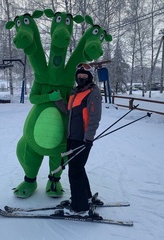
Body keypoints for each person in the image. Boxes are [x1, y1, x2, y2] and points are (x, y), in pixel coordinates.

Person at [60, 63, 103, 218]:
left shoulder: (93, 93)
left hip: (83, 138)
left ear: (90, 77)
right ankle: (85, 197)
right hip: (72, 136)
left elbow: (95, 117)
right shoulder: (75, 92)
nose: (81, 78)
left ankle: (79, 207)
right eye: (79, 76)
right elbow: (69, 111)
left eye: (85, 76)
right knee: (78, 167)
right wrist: (58, 100)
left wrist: (89, 138)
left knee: (75, 171)